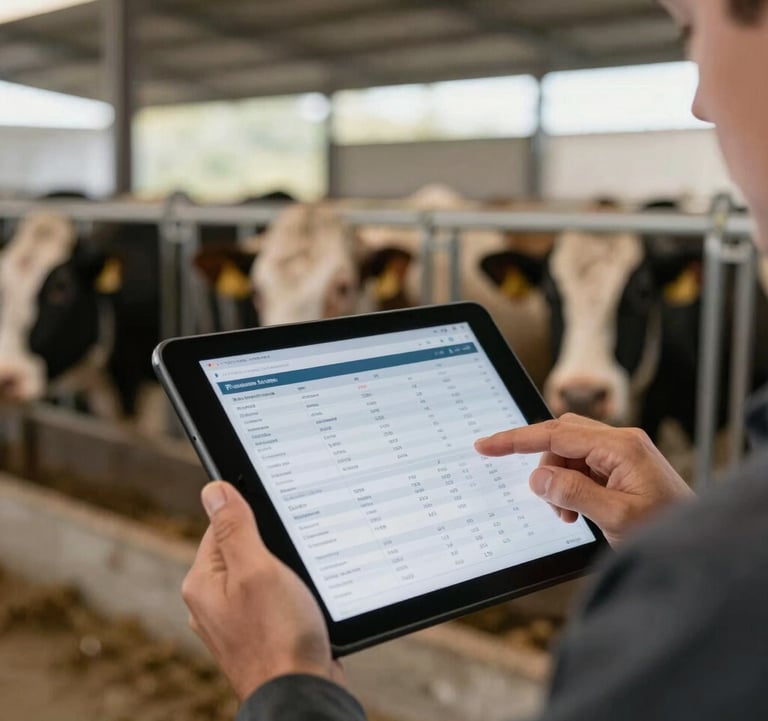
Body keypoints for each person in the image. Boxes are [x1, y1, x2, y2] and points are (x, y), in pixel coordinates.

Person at [181, 0, 768, 718]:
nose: (701, 101)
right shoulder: (730, 561)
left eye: (689, 32)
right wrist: (684, 537)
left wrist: (287, 676)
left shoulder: (715, 613)